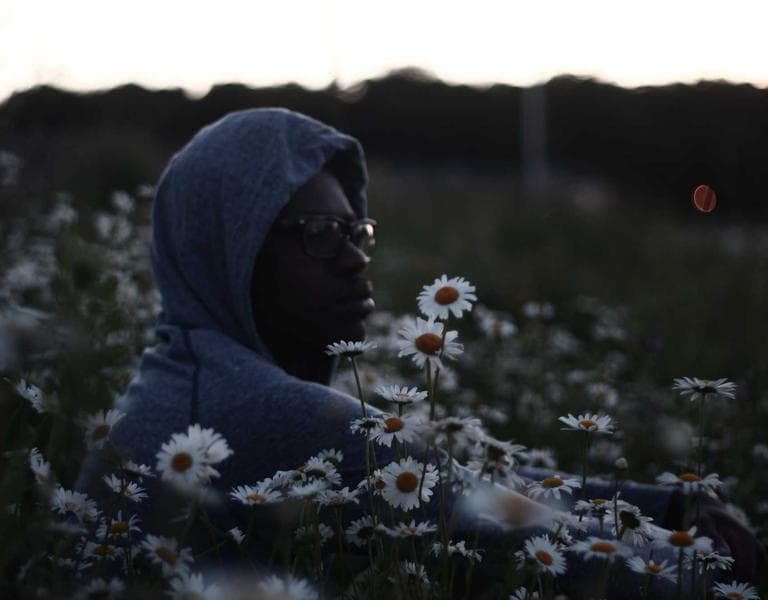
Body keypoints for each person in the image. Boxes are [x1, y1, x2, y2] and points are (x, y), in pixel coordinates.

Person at [79, 108, 762, 596]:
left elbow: (467, 479)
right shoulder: (265, 415)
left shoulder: (184, 378)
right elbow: (529, 542)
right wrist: (703, 565)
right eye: (319, 232)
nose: (353, 260)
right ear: (228, 250)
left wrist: (668, 510)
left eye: (358, 230)